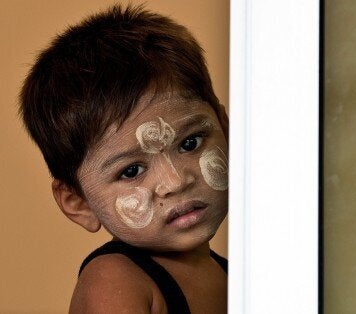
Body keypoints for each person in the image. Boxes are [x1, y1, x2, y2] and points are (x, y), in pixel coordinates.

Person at [19, 4, 228, 313]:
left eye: (190, 143)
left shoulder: (244, 273)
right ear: (79, 202)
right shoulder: (115, 281)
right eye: (131, 171)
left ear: (226, 128)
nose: (175, 181)